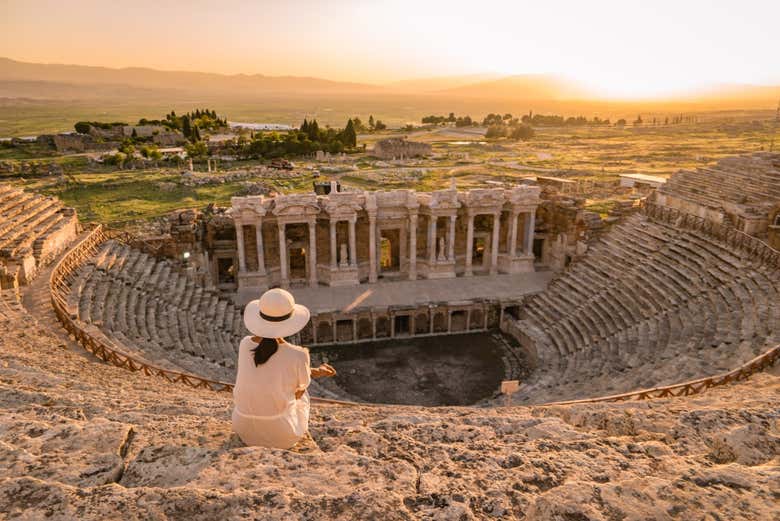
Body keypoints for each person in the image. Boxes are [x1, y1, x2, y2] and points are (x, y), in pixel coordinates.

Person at [232, 288, 335, 449]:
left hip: (243, 428)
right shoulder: (299, 354)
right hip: (281, 435)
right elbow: (298, 390)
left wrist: (317, 370)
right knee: (303, 391)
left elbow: (271, 369)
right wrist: (318, 371)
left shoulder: (245, 344)